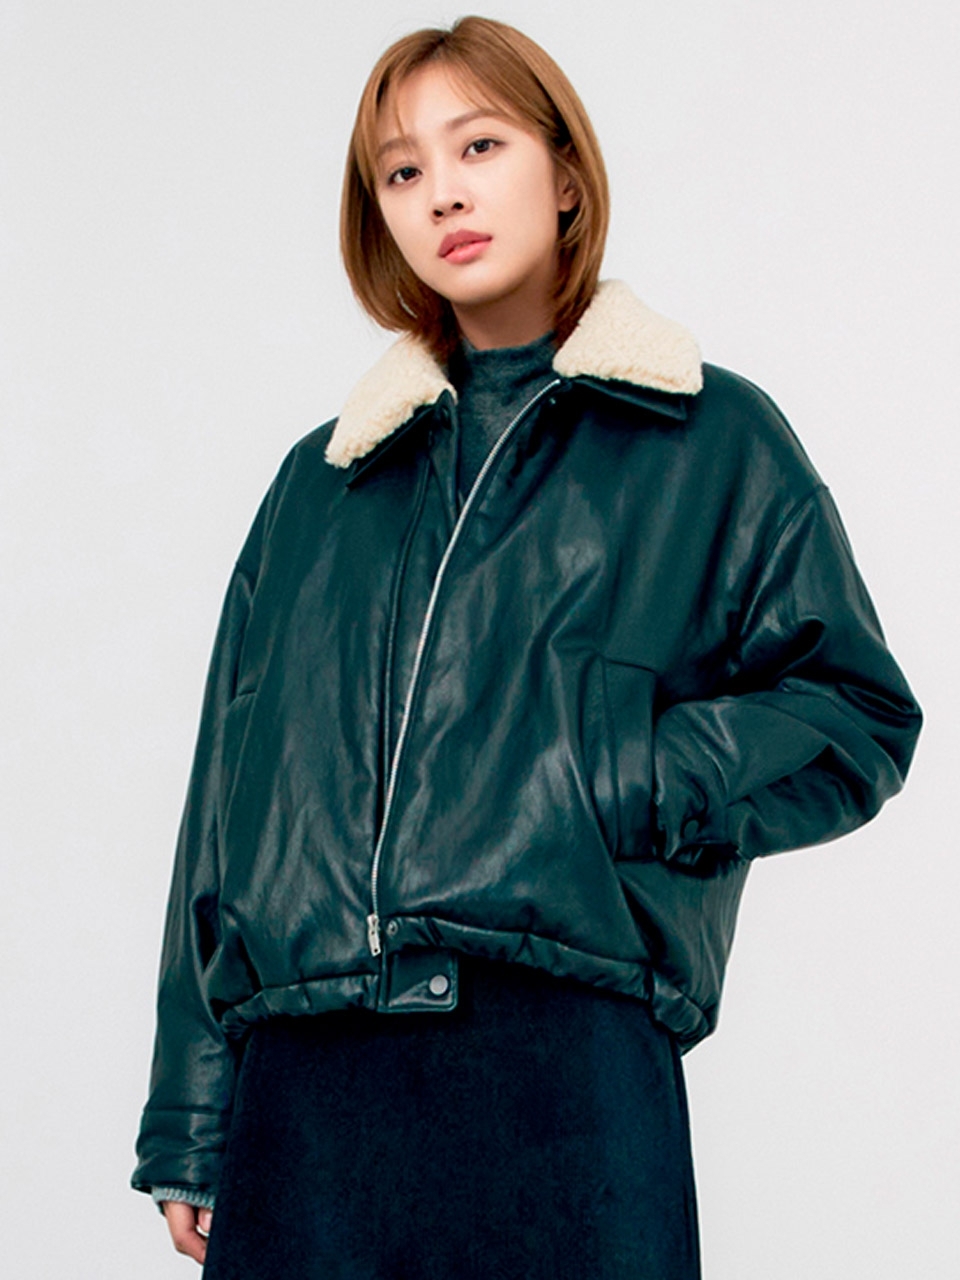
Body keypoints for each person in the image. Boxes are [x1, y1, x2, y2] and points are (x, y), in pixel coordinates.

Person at [131, 15, 922, 1279]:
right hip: (305, 1096)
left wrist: (636, 773)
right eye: (401, 170)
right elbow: (223, 807)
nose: (441, 192)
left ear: (563, 172)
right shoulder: (320, 486)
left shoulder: (706, 439)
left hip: (560, 1073)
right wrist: (190, 1115)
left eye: (479, 145)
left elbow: (855, 710)